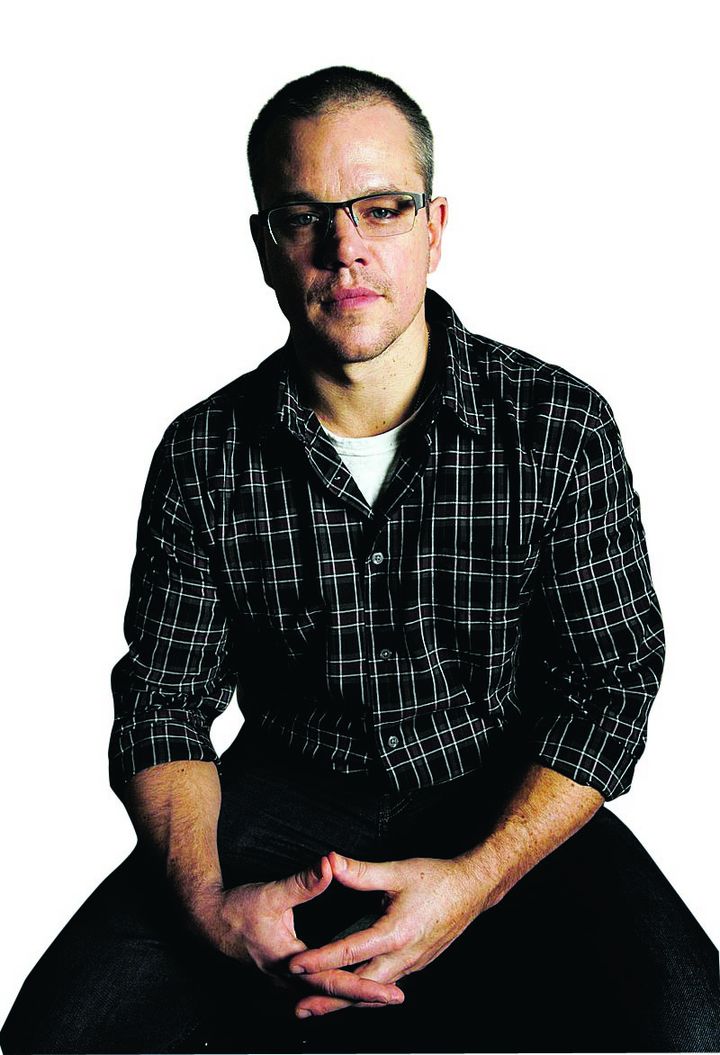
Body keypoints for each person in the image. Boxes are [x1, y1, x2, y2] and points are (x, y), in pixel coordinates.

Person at [2, 64, 719, 1055]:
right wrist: (210, 907)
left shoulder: (559, 425)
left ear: (434, 227)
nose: (346, 247)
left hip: (499, 782)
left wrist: (475, 882)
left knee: (692, 1030)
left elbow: (609, 684)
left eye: (381, 208)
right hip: (286, 786)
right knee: (57, 1036)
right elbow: (165, 703)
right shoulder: (204, 452)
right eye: (306, 217)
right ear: (267, 247)